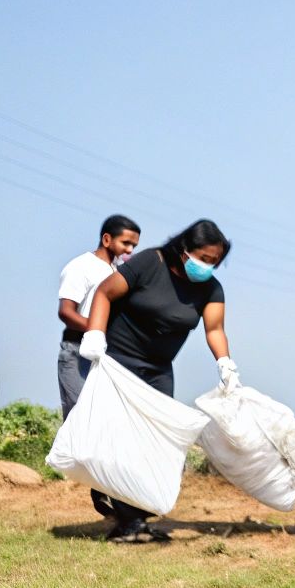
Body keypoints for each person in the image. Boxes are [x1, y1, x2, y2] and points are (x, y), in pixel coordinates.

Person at [79, 218, 239, 543]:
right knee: (121, 439)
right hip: (119, 363)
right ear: (185, 250)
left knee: (155, 442)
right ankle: (127, 519)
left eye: (215, 262)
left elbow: (214, 329)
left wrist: (225, 363)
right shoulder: (151, 262)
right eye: (204, 258)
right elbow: (104, 293)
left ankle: (134, 515)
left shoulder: (210, 289)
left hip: (159, 370)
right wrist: (95, 334)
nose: (209, 266)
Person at [55, 215, 141, 416]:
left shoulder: (119, 273)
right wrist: (96, 330)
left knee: (104, 422)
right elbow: (66, 312)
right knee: (79, 418)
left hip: (108, 355)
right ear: (107, 239)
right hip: (77, 352)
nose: (129, 250)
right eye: (126, 243)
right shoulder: (81, 266)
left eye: (134, 246)